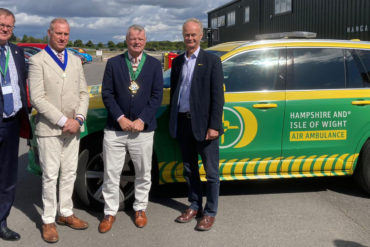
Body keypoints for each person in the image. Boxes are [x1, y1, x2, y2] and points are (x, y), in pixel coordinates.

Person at [29, 18, 89, 243]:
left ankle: (65, 213)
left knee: (70, 173)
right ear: (49, 33)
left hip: (73, 128)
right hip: (50, 128)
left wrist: (79, 119)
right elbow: (37, 98)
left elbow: (83, 93)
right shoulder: (37, 61)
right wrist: (64, 120)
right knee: (50, 175)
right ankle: (48, 220)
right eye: (58, 33)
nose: (63, 37)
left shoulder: (75, 60)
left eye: (66, 34)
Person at [99, 24, 163, 232]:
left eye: (140, 39)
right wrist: (120, 118)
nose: (137, 42)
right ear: (126, 40)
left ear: (145, 41)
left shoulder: (154, 65)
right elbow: (107, 93)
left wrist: (142, 119)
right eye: (133, 38)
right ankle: (109, 212)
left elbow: (156, 96)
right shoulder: (114, 63)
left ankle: (140, 208)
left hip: (142, 130)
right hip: (116, 129)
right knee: (111, 172)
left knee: (144, 172)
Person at [169, 18, 224, 231]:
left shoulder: (212, 61)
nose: (190, 38)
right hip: (183, 123)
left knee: (211, 173)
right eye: (186, 34)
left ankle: (210, 212)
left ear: (201, 36)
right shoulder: (177, 62)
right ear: (183, 36)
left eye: (193, 34)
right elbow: (175, 93)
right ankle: (194, 205)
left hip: (204, 126)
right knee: (189, 170)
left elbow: (218, 98)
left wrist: (214, 126)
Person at [0, 8, 31, 241]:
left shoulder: (17, 53)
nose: (4, 29)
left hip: (10, 123)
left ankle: (1, 221)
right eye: (1, 24)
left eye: (9, 26)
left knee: (8, 177)